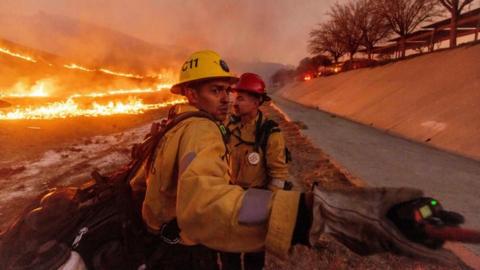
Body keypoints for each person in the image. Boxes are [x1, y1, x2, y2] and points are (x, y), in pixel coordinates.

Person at [129, 50, 459, 269]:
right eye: (217, 91)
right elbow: (206, 204)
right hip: (187, 246)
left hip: (177, 237)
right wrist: (308, 213)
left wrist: (165, 217)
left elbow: (140, 184)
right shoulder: (201, 131)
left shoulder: (174, 126)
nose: (229, 99)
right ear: (190, 93)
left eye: (230, 91)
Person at [220, 73, 292, 270]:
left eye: (241, 98)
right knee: (229, 254)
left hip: (256, 199)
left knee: (253, 257)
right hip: (229, 199)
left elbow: (278, 175)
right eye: (236, 97)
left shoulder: (271, 133)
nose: (235, 102)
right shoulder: (229, 126)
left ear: (257, 101)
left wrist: (268, 208)